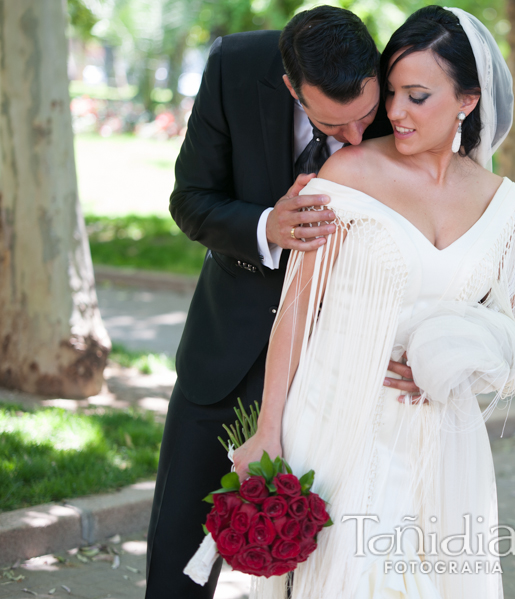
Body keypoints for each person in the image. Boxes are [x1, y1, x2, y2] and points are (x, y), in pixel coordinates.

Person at [233, 6, 515, 598]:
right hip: (335, 420)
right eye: (391, 92)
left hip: (440, 441)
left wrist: (453, 366)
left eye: (417, 96)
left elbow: (504, 326)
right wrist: (268, 429)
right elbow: (296, 311)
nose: (394, 112)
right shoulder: (346, 174)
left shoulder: (506, 207)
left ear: (467, 100)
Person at [145, 7, 421, 598]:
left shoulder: (402, 91)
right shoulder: (233, 68)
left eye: (366, 117)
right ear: (291, 86)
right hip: (226, 352)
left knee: (324, 563)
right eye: (333, 123)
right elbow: (191, 200)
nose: (355, 139)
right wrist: (268, 225)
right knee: (178, 552)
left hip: (341, 371)